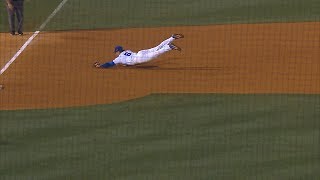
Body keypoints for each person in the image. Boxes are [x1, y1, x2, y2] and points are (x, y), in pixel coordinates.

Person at [94, 34, 184, 68]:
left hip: (140, 58)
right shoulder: (126, 51)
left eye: (115, 52)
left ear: (118, 51)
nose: (115, 53)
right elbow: (126, 62)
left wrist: (101, 66)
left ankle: (169, 47)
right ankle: (172, 38)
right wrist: (125, 64)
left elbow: (109, 64)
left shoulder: (119, 59)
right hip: (140, 53)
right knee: (157, 47)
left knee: (156, 53)